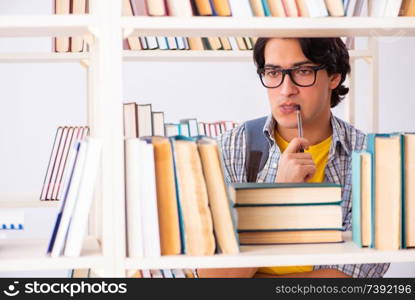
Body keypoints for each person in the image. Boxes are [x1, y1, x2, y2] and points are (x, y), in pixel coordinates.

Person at [198, 37, 389, 278]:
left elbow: (350, 279)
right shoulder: (232, 147)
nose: (286, 89)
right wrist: (279, 192)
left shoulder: (371, 158)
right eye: (273, 72)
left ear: (334, 77)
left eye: (303, 71)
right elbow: (215, 279)